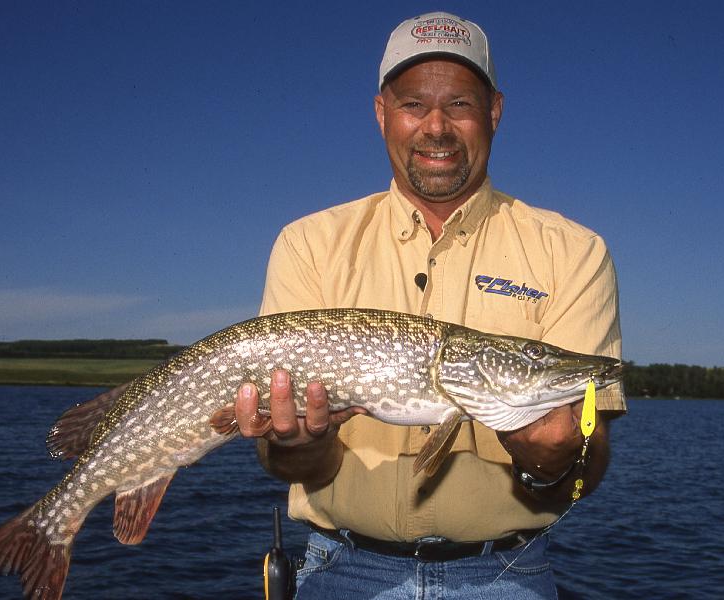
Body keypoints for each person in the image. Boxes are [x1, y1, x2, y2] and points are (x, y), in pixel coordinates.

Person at [235, 11, 625, 599]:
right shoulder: (308, 244)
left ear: (494, 112)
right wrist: (297, 444)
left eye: (461, 105)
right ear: (381, 114)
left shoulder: (573, 251)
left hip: (505, 577)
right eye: (414, 104)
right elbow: (290, 465)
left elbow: (581, 477)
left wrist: (545, 463)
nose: (436, 126)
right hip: (339, 571)